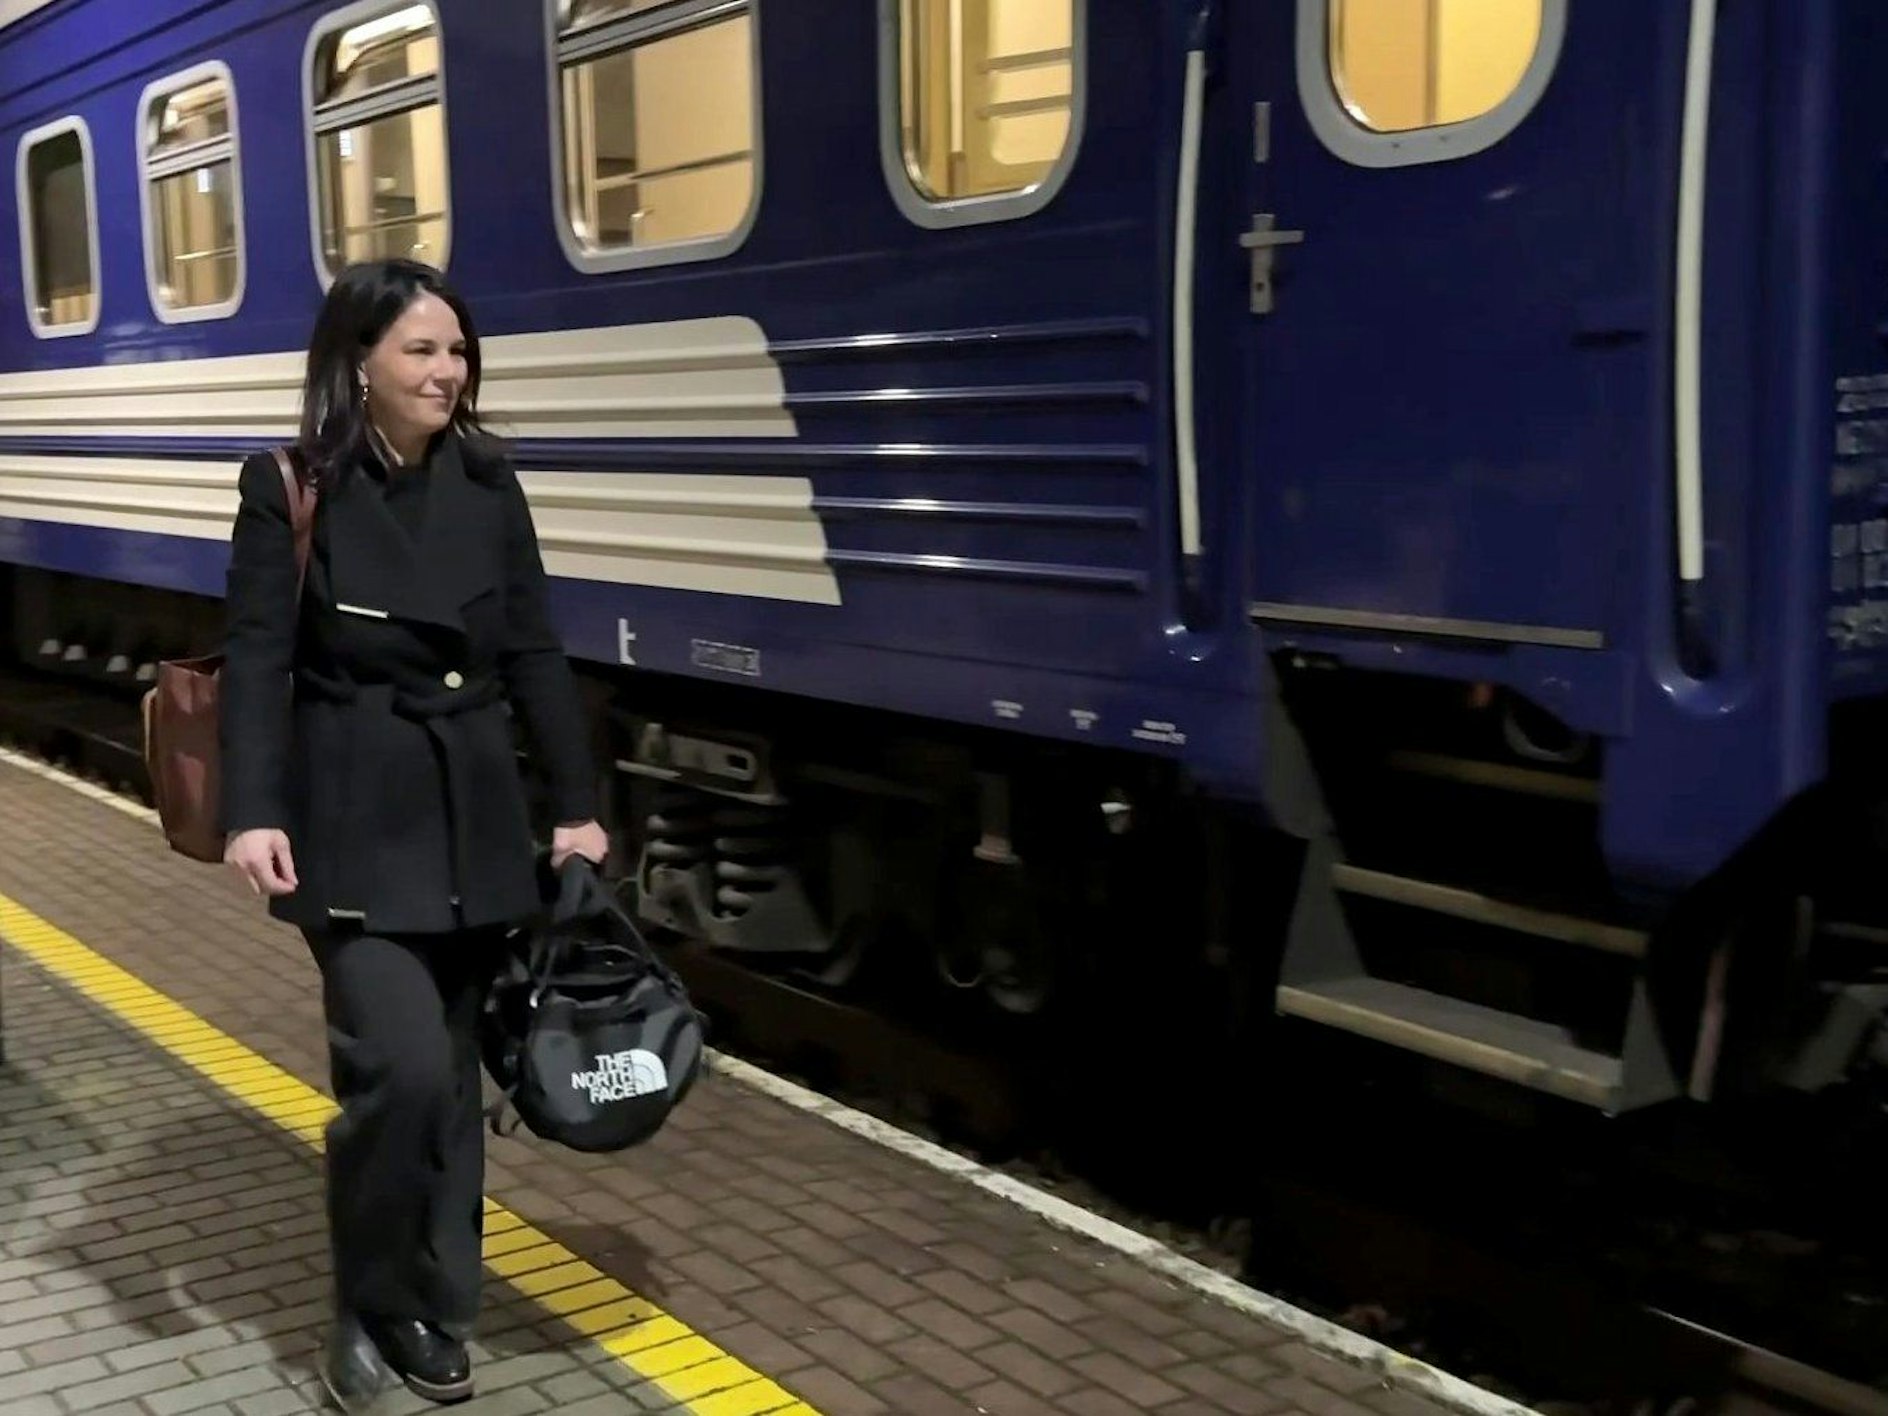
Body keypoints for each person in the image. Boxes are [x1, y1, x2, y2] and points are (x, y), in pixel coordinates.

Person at [218, 259, 608, 1409]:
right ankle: (368, 1297)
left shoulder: (491, 481)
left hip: (477, 811)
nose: (448, 371)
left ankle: (438, 1298)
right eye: (421, 352)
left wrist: (578, 805)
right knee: (398, 1068)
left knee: (450, 1083)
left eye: (458, 350)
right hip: (353, 814)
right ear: (358, 364)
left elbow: (534, 650)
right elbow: (256, 657)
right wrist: (251, 809)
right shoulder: (287, 486)